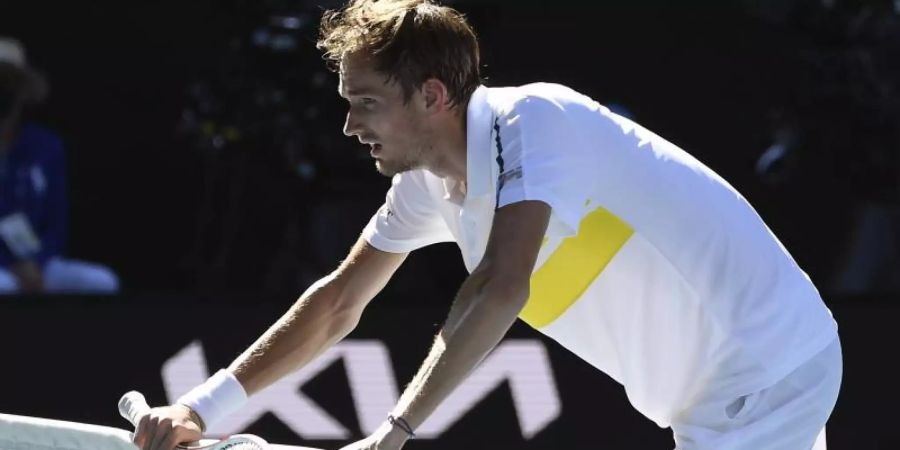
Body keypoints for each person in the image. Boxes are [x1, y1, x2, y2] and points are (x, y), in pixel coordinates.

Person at [131, 1, 841, 449]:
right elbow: (340, 301)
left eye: (367, 103)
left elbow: (501, 287)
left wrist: (392, 433)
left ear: (433, 95)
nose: (349, 126)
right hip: (718, 395)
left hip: (763, 366)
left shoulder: (538, 119)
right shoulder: (426, 185)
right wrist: (200, 407)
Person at [0, 37, 119, 294]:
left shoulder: (45, 146)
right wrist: (11, 262)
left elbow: (56, 223)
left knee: (101, 282)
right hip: (4, 267)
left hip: (37, 262)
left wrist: (37, 263)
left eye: (8, 83)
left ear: (22, 92)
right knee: (4, 286)